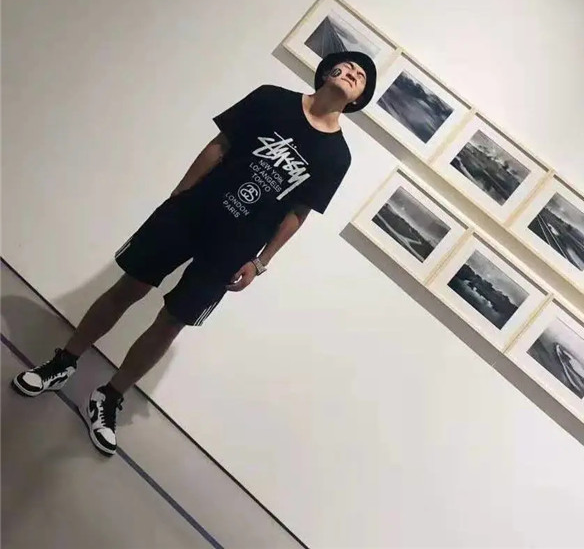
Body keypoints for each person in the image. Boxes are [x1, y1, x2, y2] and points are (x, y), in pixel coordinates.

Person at [11, 51, 377, 456]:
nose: (351, 72)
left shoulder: (337, 157)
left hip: (236, 246)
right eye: (347, 66)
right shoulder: (271, 98)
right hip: (191, 214)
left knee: (173, 320)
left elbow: (298, 212)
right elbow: (220, 145)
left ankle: (109, 397)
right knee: (128, 289)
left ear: (359, 98)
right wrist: (179, 196)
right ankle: (63, 362)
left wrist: (261, 262)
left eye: (361, 76)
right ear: (327, 72)